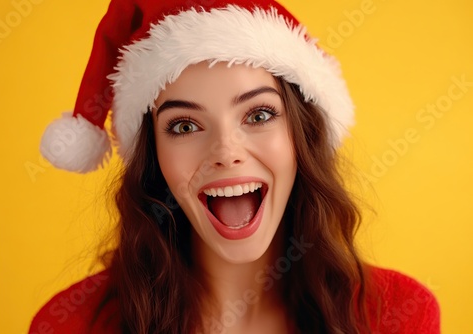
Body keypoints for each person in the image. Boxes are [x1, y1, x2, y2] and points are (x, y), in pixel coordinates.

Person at [30, 0, 440, 333]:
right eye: (185, 125)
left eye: (259, 115)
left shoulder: (399, 315)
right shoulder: (70, 324)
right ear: (154, 157)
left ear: (302, 137)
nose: (226, 151)